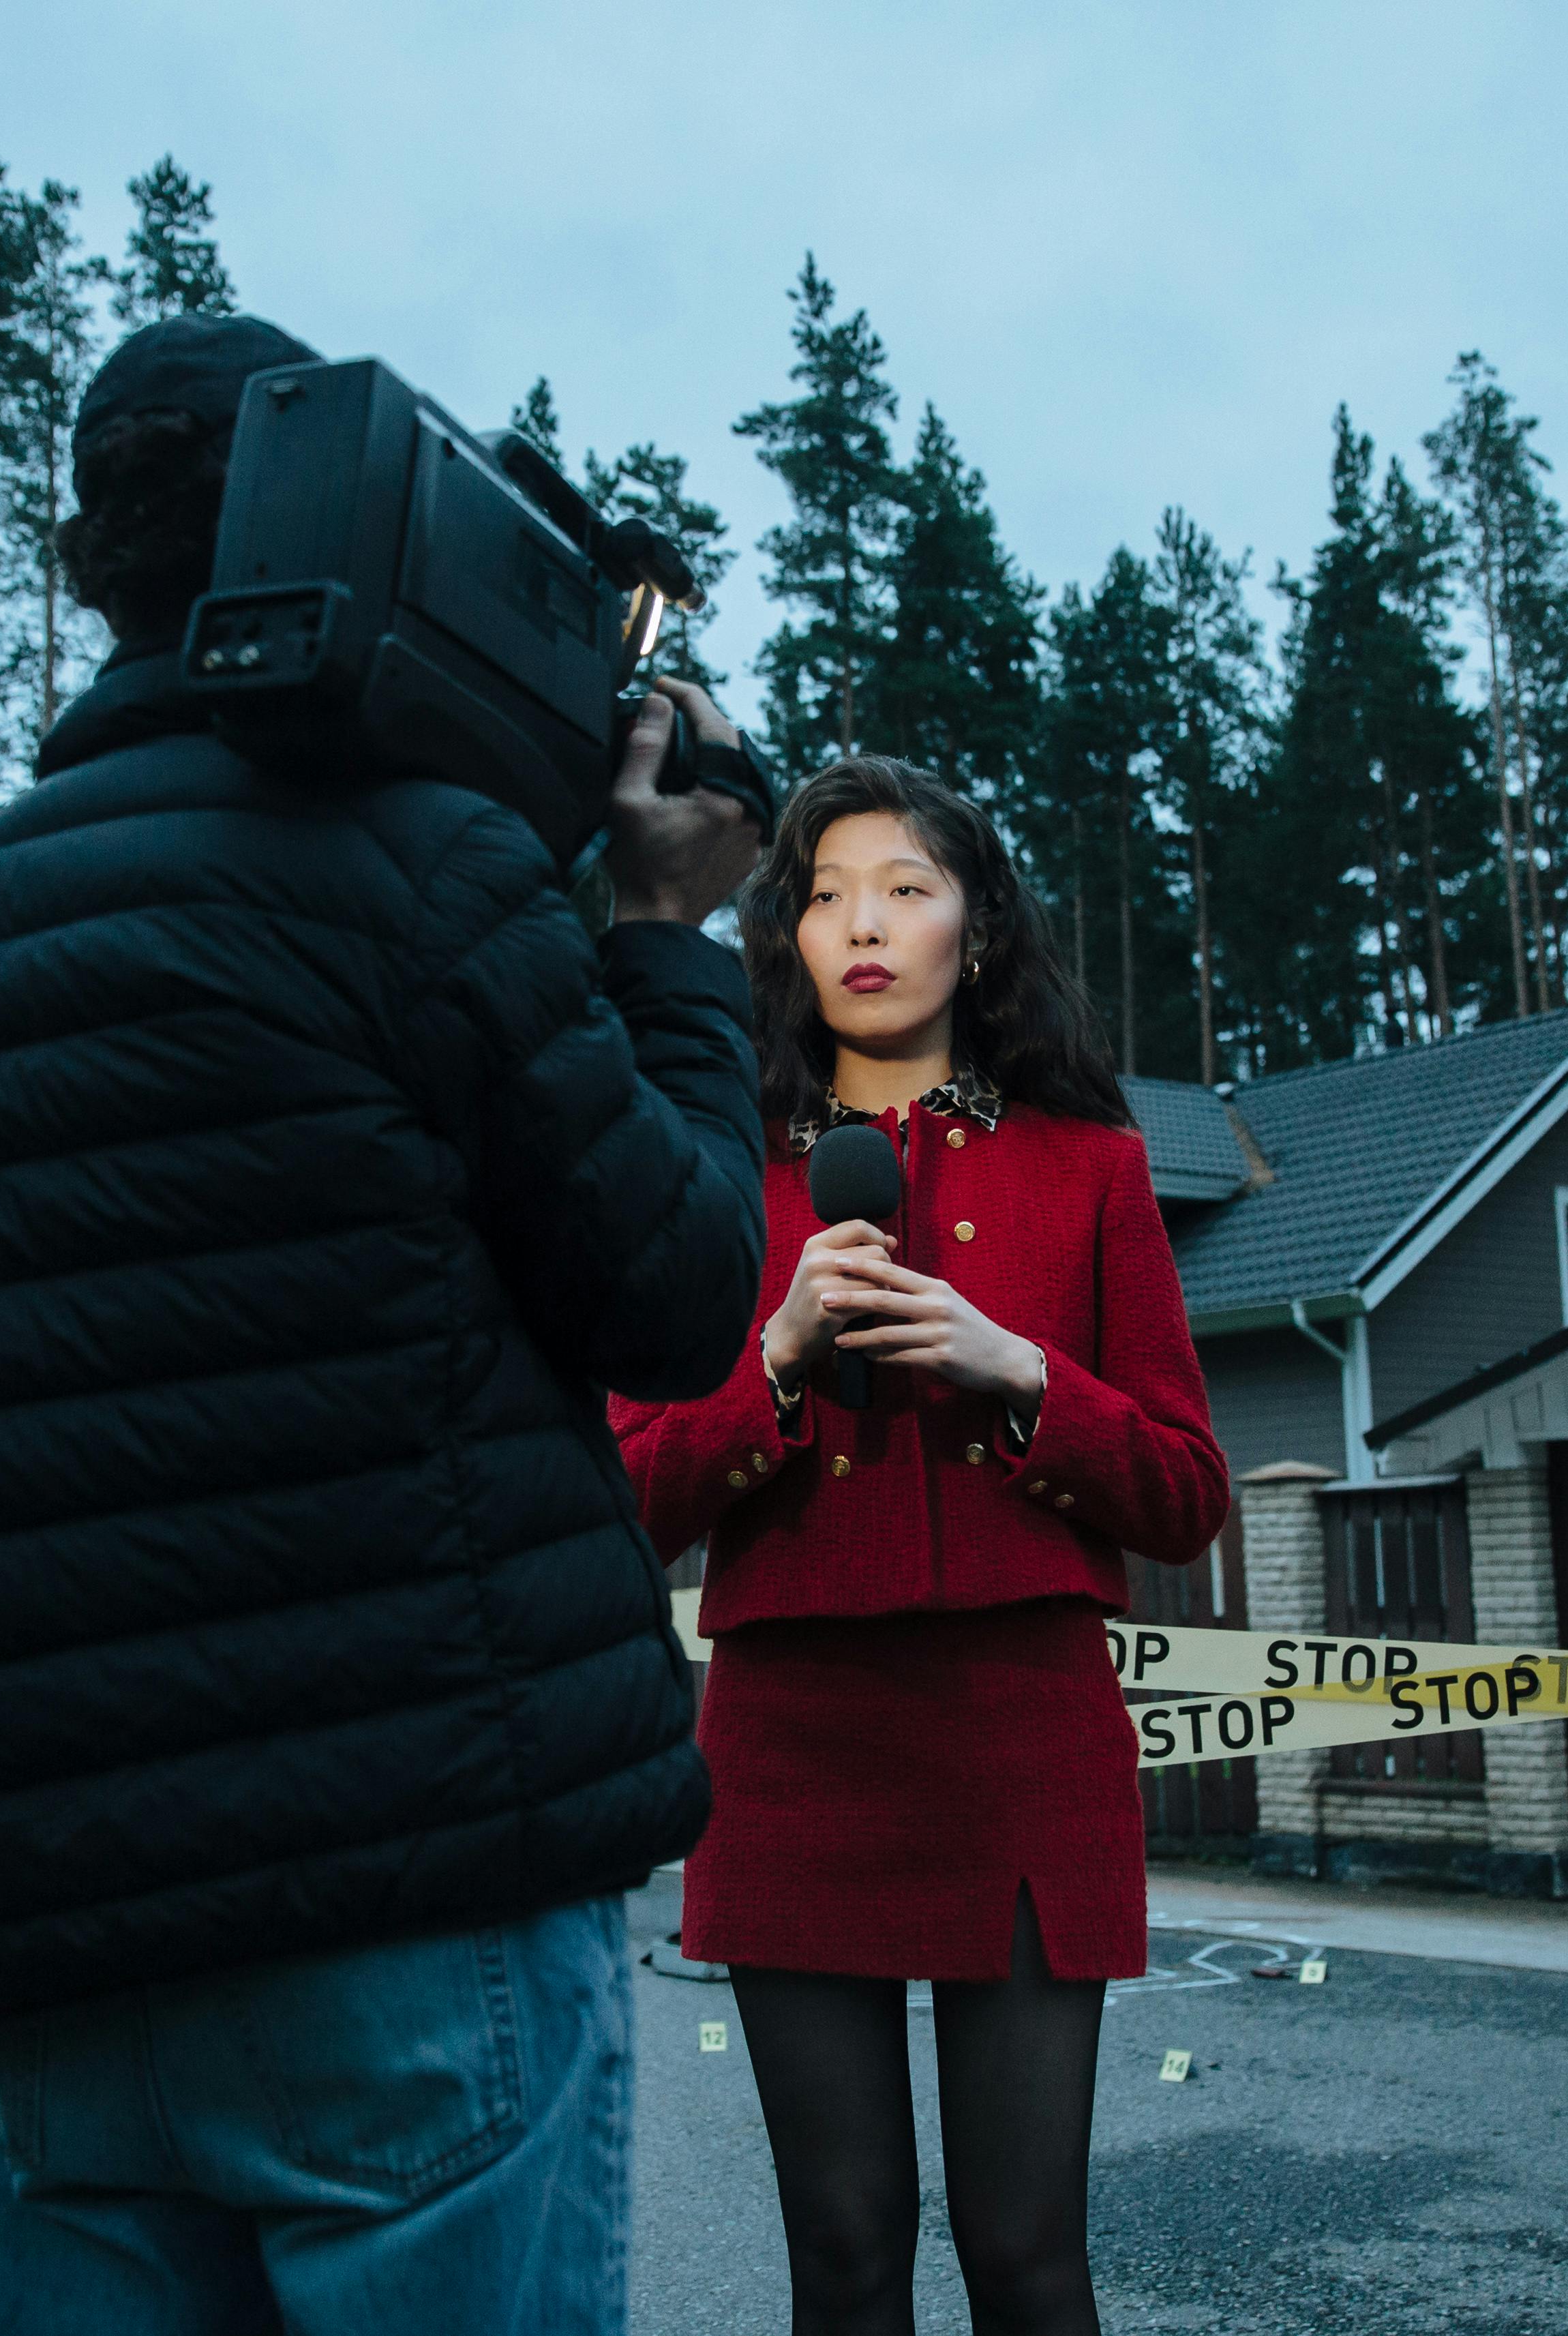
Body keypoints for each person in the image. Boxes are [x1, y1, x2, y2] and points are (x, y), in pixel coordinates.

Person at [0, 314, 769, 2336]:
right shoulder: (417, 871)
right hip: (412, 1905)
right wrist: (665, 947)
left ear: (96, 569)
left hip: (58, 1948)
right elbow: (673, 1293)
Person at [612, 758, 1233, 2336]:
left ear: (980, 922)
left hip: (1023, 1737)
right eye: (822, 893)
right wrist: (778, 1354)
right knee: (844, 2251)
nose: (862, 923)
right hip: (788, 1746)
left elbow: (1182, 1490)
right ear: (784, 938)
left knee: (1029, 2255)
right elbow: (627, 1494)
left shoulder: (1088, 1161)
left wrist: (1020, 1369)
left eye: (905, 885)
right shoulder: (709, 1165)